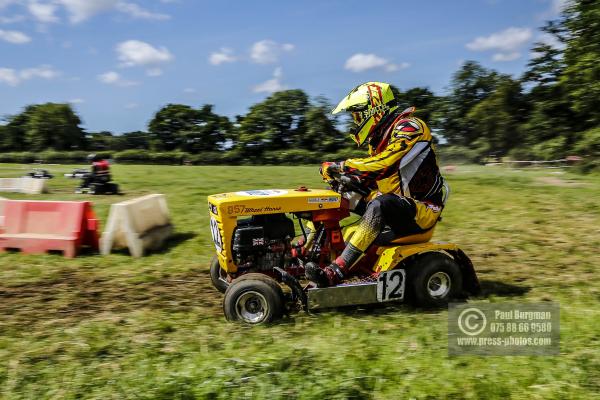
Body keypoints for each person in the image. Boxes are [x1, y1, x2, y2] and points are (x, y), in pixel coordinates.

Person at [304, 82, 446, 287]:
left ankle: (336, 271)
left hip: (421, 210)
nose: (356, 122)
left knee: (381, 204)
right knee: (332, 196)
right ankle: (305, 248)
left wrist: (343, 166)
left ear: (375, 110)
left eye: (357, 115)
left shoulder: (410, 127)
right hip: (393, 205)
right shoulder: (379, 139)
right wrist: (342, 178)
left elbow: (384, 165)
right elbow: (372, 178)